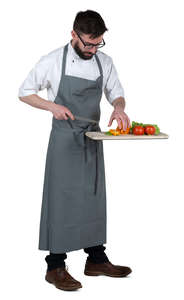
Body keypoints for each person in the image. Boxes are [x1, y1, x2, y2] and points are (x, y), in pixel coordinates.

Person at [18, 10, 132, 291]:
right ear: (74, 35)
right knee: (62, 199)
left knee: (94, 196)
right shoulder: (53, 61)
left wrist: (118, 107)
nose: (93, 49)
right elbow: (24, 91)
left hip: (92, 137)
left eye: (98, 44)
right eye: (88, 44)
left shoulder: (104, 62)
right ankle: (55, 266)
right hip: (64, 139)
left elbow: (116, 92)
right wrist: (52, 106)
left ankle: (95, 259)